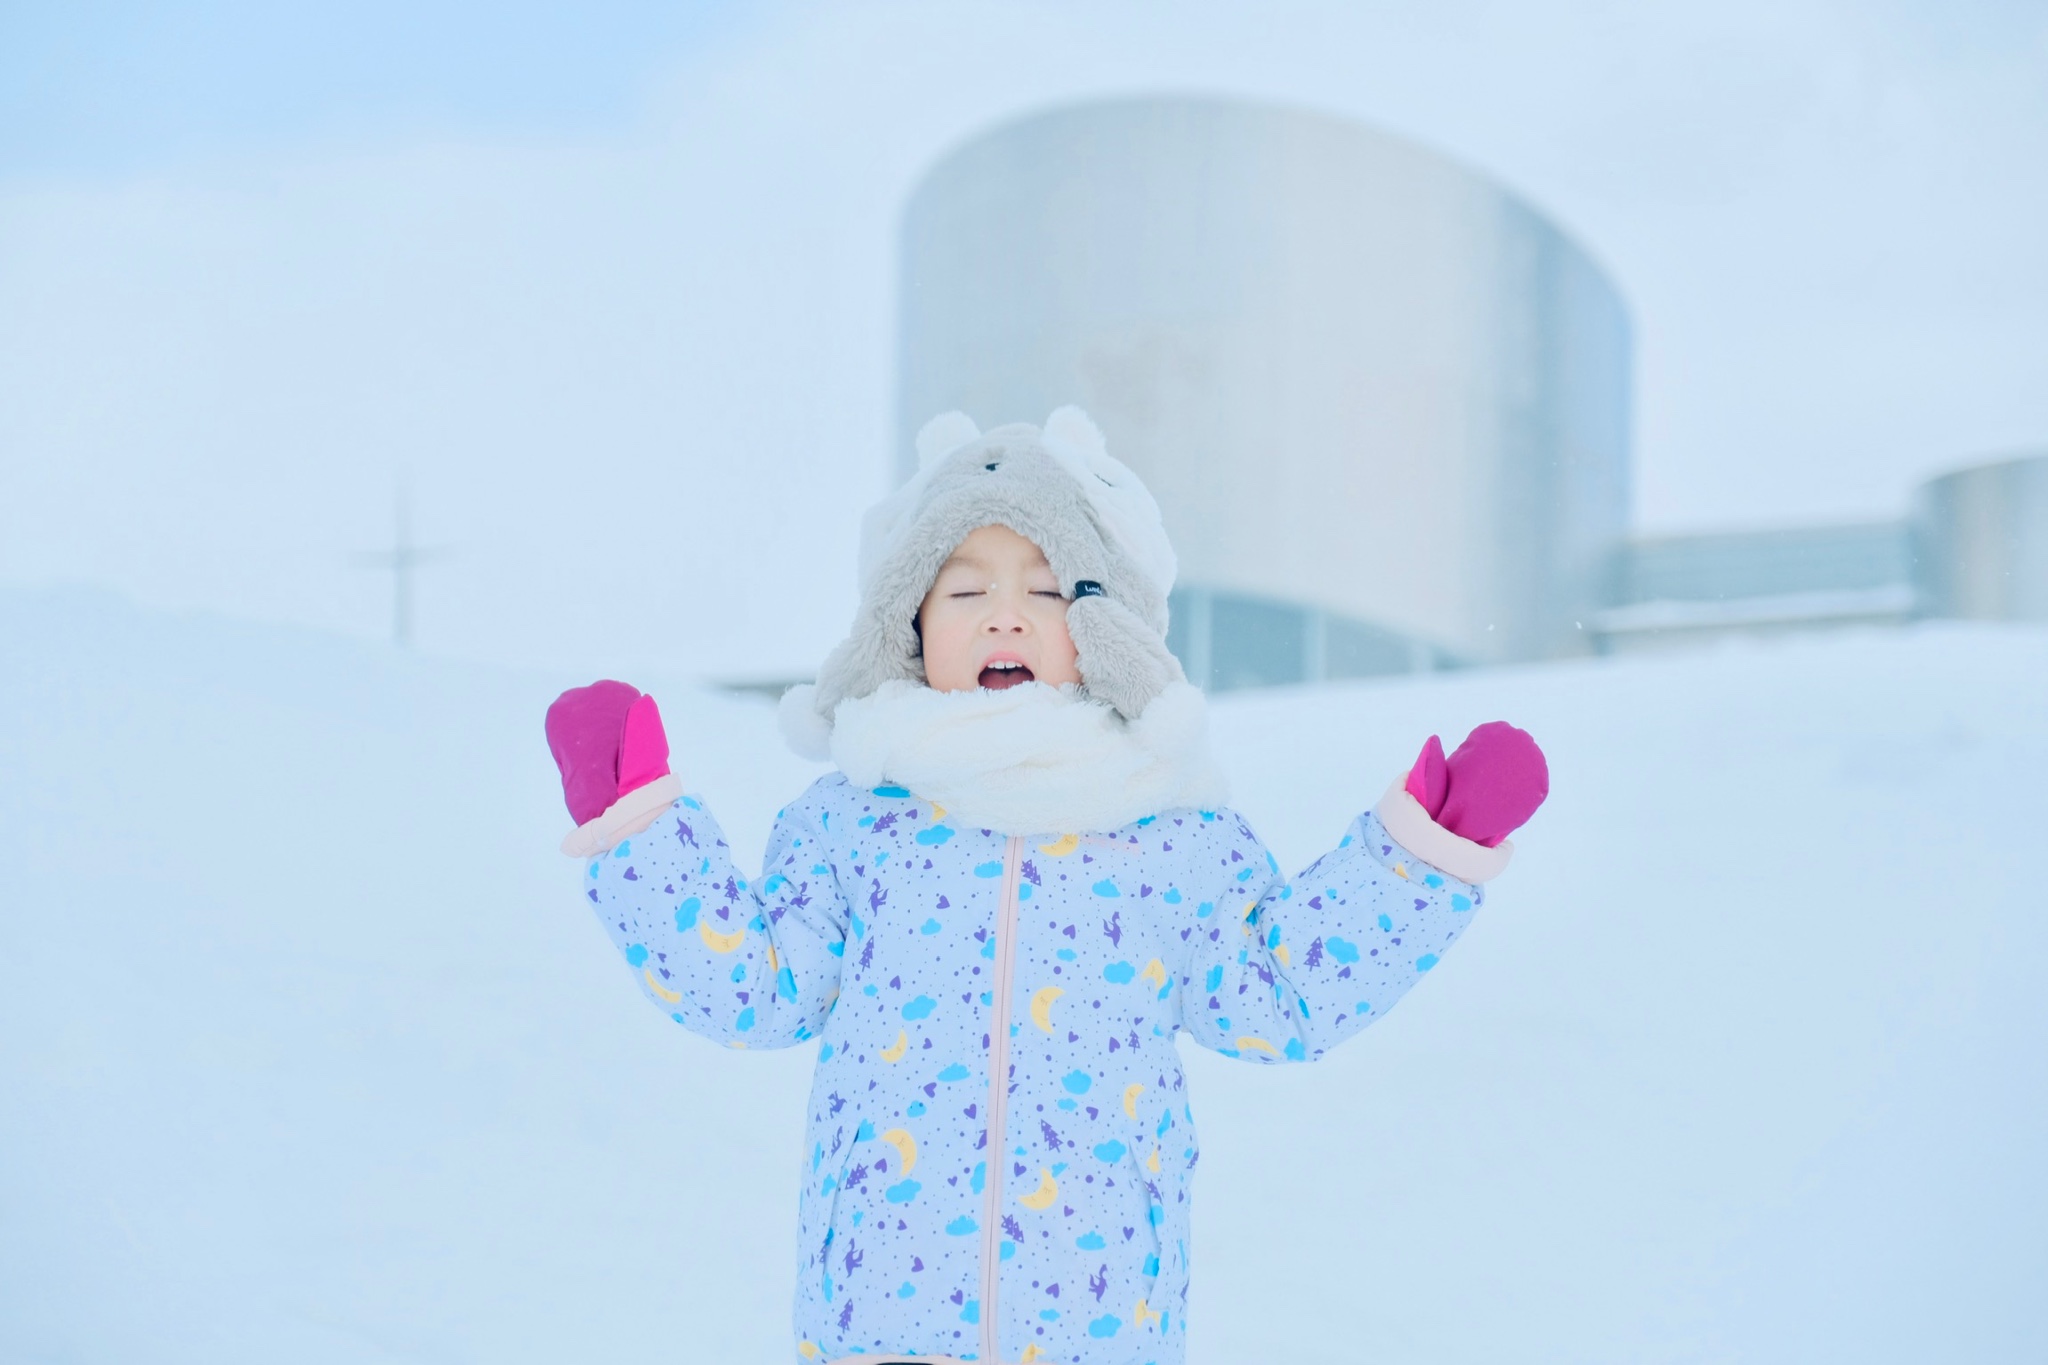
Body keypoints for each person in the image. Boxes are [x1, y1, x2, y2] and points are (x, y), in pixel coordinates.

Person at [544, 408, 1548, 1365]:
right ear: (907, 626)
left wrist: (1419, 857)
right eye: (965, 593)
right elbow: (755, 989)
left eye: (1048, 592)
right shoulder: (854, 826)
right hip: (884, 1316)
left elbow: (1273, 996)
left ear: (1110, 627)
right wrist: (640, 828)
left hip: (1095, 1321)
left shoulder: (1165, 832)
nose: (1003, 622)